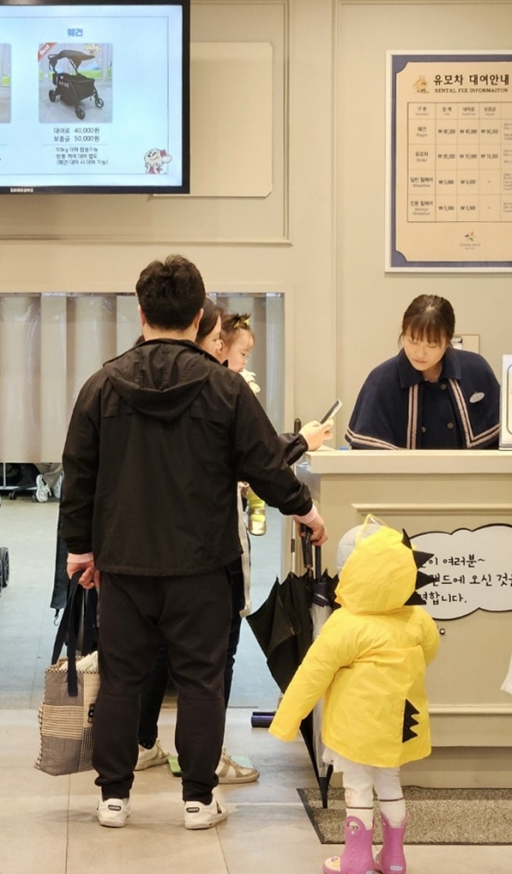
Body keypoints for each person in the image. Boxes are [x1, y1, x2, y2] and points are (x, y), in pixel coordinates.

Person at [58, 254, 327, 830]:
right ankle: (199, 801)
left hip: (125, 567)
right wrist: (305, 510)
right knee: (203, 680)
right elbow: (265, 465)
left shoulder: (101, 386)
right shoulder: (225, 389)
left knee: (122, 679)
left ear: (141, 312)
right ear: (200, 317)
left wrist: (80, 550)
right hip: (202, 567)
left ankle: (113, 798)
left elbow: (78, 473)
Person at [136, 301, 334, 783]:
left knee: (159, 652)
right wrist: (303, 492)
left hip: (152, 547)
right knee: (211, 660)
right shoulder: (219, 391)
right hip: (208, 550)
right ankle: (203, 764)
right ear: (205, 338)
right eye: (227, 346)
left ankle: (143, 749)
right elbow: (258, 459)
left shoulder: (131, 382)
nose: (233, 357)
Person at [270, 517, 439, 874]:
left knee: (358, 785)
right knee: (390, 781)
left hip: (356, 726)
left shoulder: (345, 625)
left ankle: (356, 860)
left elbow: (311, 676)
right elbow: (429, 653)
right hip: (400, 723)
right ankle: (394, 859)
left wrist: (285, 722)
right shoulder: (417, 619)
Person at [346, 294, 500, 449]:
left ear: (448, 341)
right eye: (412, 341)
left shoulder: (476, 369)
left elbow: (500, 446)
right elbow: (365, 457)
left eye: (431, 345)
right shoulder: (380, 381)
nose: (419, 354)